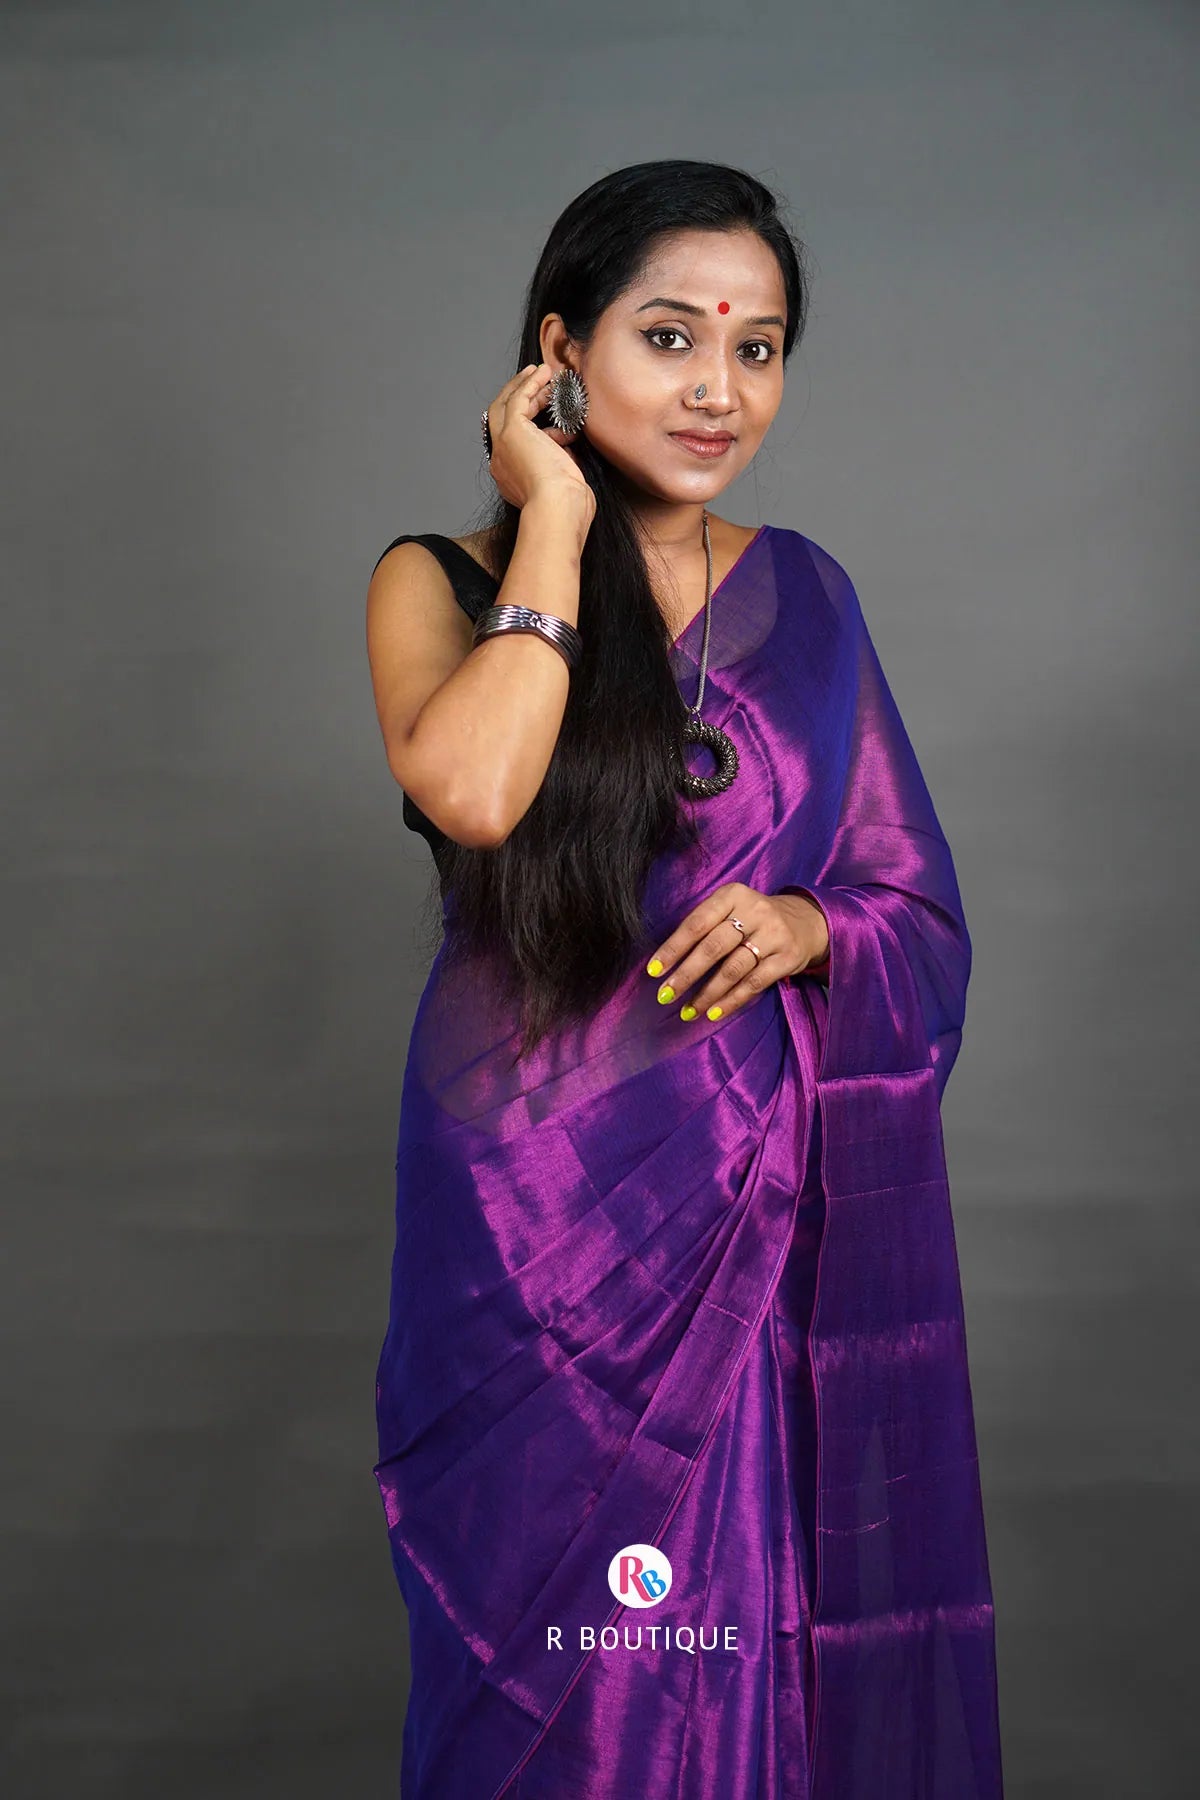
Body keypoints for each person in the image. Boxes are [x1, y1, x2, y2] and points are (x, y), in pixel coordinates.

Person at [364, 160, 1004, 1799]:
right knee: (552, 1686)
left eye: (759, 348)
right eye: (670, 338)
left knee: (725, 1653)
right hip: (524, 1238)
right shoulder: (441, 580)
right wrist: (555, 520)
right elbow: (478, 792)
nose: (722, 389)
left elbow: (911, 908)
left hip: (744, 1214)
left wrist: (809, 930)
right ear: (560, 352)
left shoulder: (811, 597)